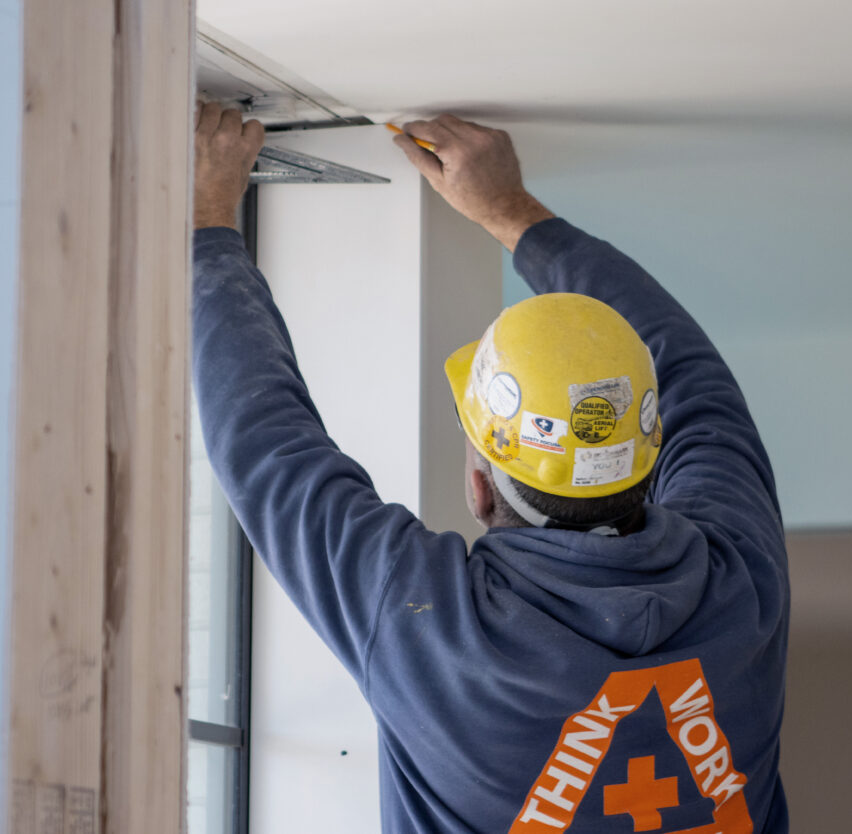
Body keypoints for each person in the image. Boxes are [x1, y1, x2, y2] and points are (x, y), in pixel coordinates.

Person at [192, 104, 790, 834]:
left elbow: (688, 374)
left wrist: (512, 212)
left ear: (479, 484)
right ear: (651, 449)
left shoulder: (444, 626)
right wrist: (208, 222)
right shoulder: (737, 579)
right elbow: (264, 449)